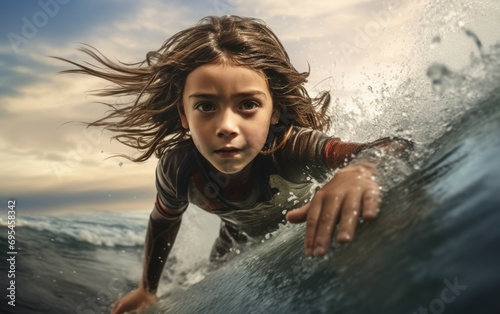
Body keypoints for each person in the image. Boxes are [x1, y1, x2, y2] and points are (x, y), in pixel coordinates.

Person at [58, 15, 412, 314]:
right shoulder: (179, 169)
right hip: (234, 242)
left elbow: (394, 144)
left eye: (247, 105)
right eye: (206, 106)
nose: (227, 126)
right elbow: (164, 220)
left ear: (273, 112)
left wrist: (360, 169)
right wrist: (147, 289)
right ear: (184, 114)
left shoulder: (292, 148)